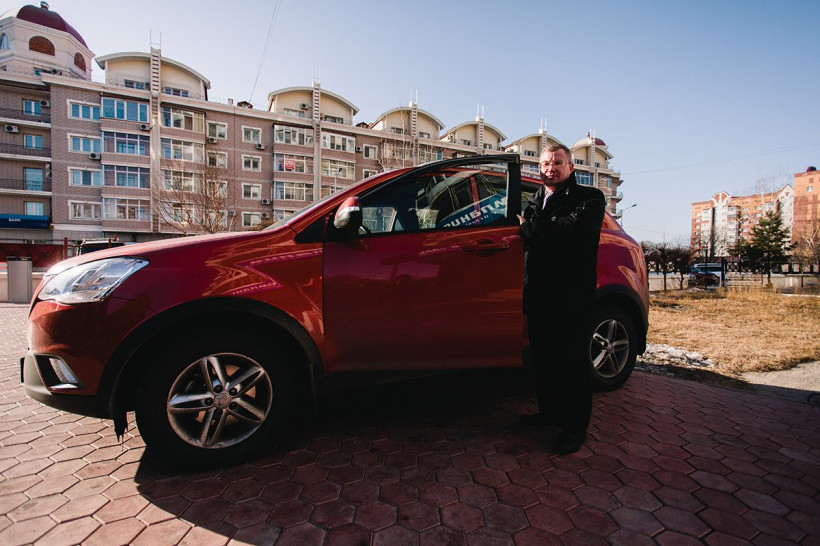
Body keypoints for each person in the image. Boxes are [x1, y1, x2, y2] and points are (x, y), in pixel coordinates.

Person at [517, 143, 605, 455]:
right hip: (539, 293)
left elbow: (569, 233)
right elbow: (537, 233)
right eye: (544, 163)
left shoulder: (590, 198)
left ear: (570, 167)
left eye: (557, 163)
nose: (550, 168)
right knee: (545, 361)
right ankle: (550, 414)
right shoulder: (535, 199)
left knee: (573, 365)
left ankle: (575, 429)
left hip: (571, 296)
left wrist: (530, 229)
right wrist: (534, 229)